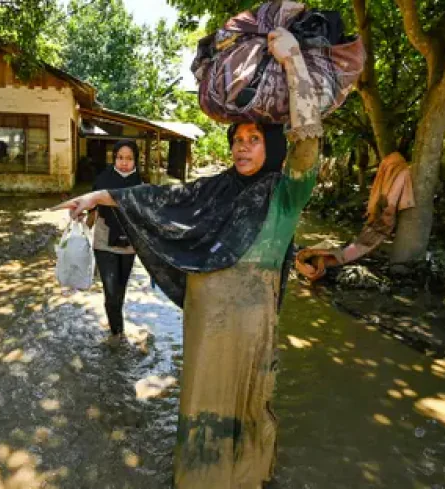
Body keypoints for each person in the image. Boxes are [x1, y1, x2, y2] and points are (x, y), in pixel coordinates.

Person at [54, 27, 322, 488]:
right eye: (238, 137)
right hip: (205, 315)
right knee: (199, 398)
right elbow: (160, 199)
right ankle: (197, 477)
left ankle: (245, 475)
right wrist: (97, 195)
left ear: (272, 147)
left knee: (247, 397)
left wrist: (293, 61)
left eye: (254, 138)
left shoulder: (286, 192)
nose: (241, 145)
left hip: (249, 319)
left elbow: (308, 138)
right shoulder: (211, 190)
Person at [295, 151, 415, 280]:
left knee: (360, 245)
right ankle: (321, 258)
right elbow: (390, 205)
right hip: (379, 222)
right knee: (360, 246)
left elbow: (388, 204)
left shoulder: (393, 168)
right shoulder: (399, 170)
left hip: (376, 221)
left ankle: (321, 258)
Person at [87, 140, 143, 339]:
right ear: (114, 158)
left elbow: (145, 217)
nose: (124, 163)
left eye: (129, 158)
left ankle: (117, 329)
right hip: (104, 241)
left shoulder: (141, 185)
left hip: (129, 245)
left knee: (119, 291)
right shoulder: (102, 180)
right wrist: (82, 226)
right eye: (120, 158)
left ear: (135, 160)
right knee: (110, 291)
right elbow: (91, 209)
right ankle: (117, 333)